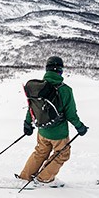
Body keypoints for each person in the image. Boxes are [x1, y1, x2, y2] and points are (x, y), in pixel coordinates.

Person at [18, 56, 88, 185]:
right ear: (60, 71)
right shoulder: (65, 90)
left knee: (40, 152)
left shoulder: (39, 87)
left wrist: (27, 123)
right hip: (59, 133)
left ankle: (25, 177)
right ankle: (43, 178)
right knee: (62, 154)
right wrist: (80, 127)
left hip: (42, 130)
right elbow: (71, 114)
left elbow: (32, 108)